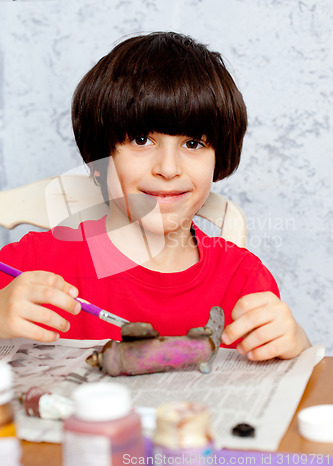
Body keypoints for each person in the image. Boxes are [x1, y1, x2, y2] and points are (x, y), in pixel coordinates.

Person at [0, 32, 310, 360]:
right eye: (140, 140)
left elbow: (281, 373)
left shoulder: (242, 278)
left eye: (193, 143)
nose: (167, 168)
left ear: (220, 158)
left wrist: (298, 346)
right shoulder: (32, 265)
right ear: (100, 159)